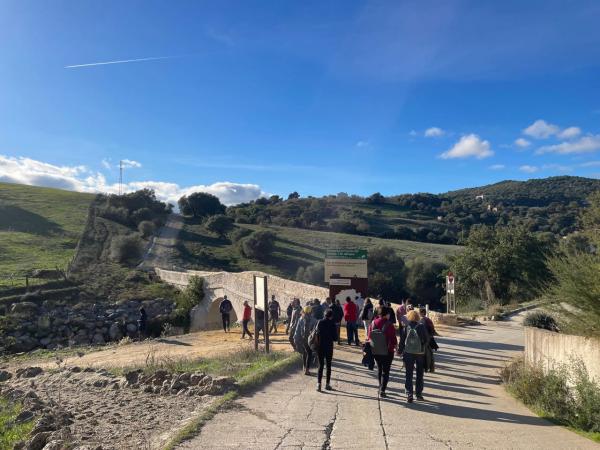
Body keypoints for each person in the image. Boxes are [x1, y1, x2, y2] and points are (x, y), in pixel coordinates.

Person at [399, 310, 429, 403]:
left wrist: (400, 351)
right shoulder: (421, 327)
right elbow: (426, 339)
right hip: (419, 353)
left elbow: (402, 341)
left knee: (409, 373)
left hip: (408, 353)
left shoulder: (406, 327)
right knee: (420, 374)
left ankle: (409, 394)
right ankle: (419, 394)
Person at [368, 306, 397, 398]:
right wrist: (396, 347)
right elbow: (393, 340)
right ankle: (383, 390)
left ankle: (380, 386)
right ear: (386, 314)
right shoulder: (390, 325)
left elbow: (369, 337)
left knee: (379, 369)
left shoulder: (372, 323)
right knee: (386, 371)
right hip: (388, 351)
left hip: (376, 350)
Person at [316, 309, 337, 392]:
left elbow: (316, 334)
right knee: (328, 365)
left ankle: (318, 384)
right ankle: (327, 384)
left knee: (320, 365)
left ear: (324, 315)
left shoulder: (320, 322)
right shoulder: (333, 324)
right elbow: (335, 338)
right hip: (329, 347)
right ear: (331, 316)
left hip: (320, 346)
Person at [294, 306, 317, 375]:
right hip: (309, 339)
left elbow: (297, 330)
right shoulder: (314, 320)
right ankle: (307, 370)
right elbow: (315, 331)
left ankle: (304, 367)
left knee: (304, 353)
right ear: (311, 312)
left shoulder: (300, 319)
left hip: (302, 338)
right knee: (309, 353)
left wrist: (295, 339)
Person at [419, 307, 438, 373]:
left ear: (420, 313)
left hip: (422, 340)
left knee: (424, 354)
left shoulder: (419, 321)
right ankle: (431, 368)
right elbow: (432, 329)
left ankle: (425, 368)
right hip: (429, 338)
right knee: (430, 354)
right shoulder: (428, 320)